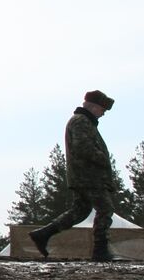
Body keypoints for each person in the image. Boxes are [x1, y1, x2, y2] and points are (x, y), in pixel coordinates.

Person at [29, 90, 119, 262]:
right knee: (105, 209)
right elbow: (83, 147)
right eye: (102, 109)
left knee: (80, 211)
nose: (103, 113)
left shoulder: (84, 122)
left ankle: (43, 234)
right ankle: (100, 250)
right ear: (93, 107)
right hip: (89, 177)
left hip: (84, 176)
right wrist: (103, 159)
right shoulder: (81, 122)